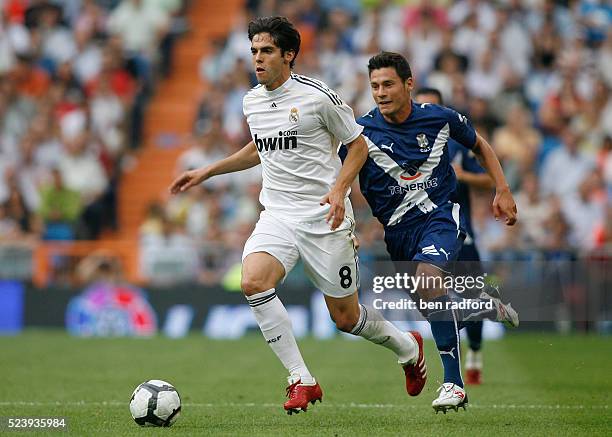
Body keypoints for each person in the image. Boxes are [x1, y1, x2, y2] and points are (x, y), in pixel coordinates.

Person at [169, 17, 426, 415]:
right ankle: (301, 379)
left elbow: (357, 145)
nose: (257, 58)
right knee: (253, 281)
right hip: (278, 215)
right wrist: (208, 170)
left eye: (266, 50)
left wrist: (339, 190)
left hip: (324, 218)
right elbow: (260, 148)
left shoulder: (316, 96)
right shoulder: (251, 100)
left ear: (288, 55)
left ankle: (408, 347)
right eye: (254, 50)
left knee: (346, 318)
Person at [339, 52, 518, 413]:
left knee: (429, 283)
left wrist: (502, 189)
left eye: (388, 84)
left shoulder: (439, 118)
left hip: (440, 217)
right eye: (374, 86)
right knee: (431, 306)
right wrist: (345, 221)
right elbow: (340, 179)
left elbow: (480, 146)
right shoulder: (360, 133)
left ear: (409, 84)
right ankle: (480, 308)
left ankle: (454, 383)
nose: (380, 92)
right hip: (397, 234)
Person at [415, 87, 493, 385]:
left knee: (474, 298)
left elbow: (488, 177)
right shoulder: (408, 145)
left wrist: (464, 175)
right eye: (421, 106)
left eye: (432, 107)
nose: (426, 113)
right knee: (432, 297)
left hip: (462, 234)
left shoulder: (457, 146)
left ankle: (474, 350)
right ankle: (451, 364)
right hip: (425, 236)